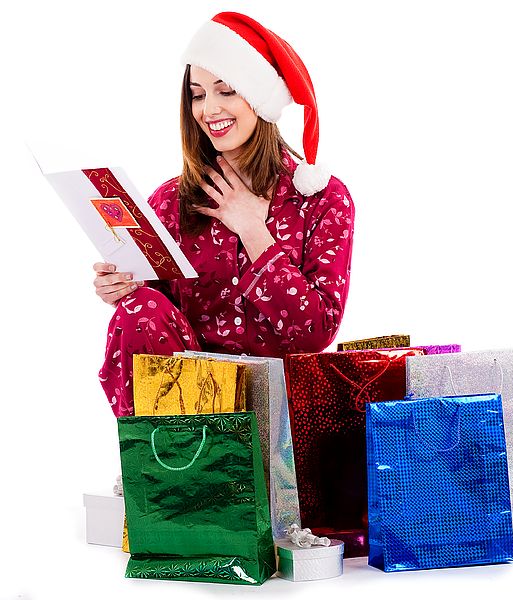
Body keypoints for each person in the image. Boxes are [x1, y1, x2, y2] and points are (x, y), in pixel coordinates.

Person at [94, 12, 355, 417]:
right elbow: (151, 324)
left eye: (226, 90)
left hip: (284, 416)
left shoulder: (322, 199)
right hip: (191, 417)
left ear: (260, 97)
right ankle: (154, 460)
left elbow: (314, 333)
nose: (209, 109)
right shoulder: (168, 202)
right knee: (139, 309)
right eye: (197, 95)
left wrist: (253, 230)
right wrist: (122, 287)